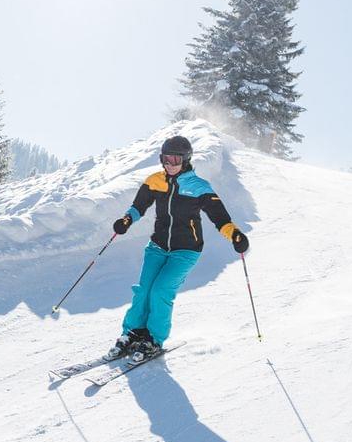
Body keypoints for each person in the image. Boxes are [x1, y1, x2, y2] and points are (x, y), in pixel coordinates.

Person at [106, 135, 249, 361]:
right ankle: (133, 331)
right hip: (157, 247)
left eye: (175, 159)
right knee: (144, 290)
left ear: (186, 159)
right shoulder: (155, 181)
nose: (169, 164)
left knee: (161, 290)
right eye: (165, 159)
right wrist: (126, 220)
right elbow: (138, 207)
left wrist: (235, 235)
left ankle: (154, 338)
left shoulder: (199, 187)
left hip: (186, 250)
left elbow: (220, 218)